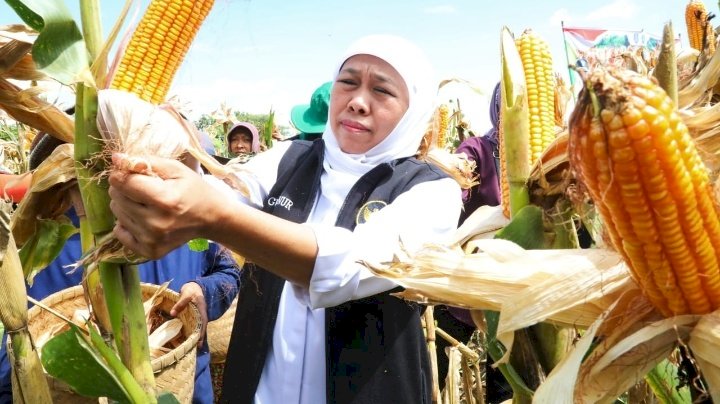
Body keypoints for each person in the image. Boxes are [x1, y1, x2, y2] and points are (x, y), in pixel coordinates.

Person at [107, 34, 462, 403]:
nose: (357, 102)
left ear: (414, 111)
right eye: (349, 82)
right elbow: (224, 189)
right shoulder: (288, 159)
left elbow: (349, 266)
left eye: (382, 91)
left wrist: (213, 217)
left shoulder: (431, 193)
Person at [0, 135, 242, 404]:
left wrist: (203, 291)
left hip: (186, 386)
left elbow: (228, 272)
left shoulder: (184, 217)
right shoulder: (45, 238)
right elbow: (21, 338)